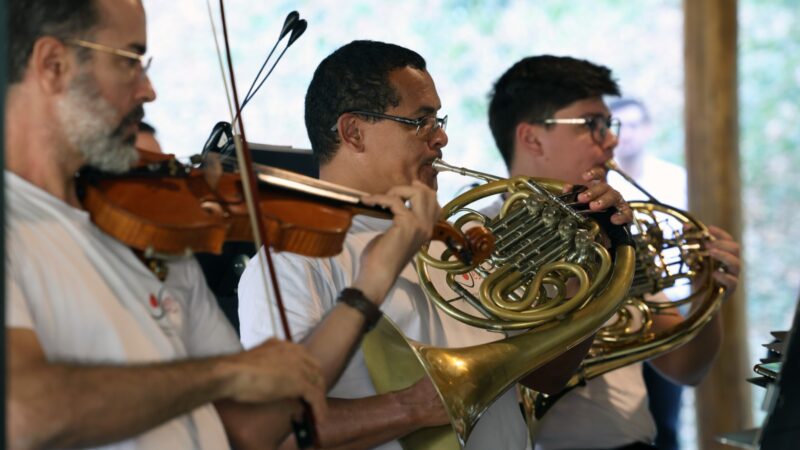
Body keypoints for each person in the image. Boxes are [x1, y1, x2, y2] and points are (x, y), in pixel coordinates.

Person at [5, 1, 426, 449]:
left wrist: (366, 291)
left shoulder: (152, 232)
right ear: (53, 64)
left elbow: (251, 429)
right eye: (129, 61)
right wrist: (227, 373)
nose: (149, 91)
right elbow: (23, 411)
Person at [238, 40, 632, 450]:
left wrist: (595, 260)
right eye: (420, 121)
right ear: (353, 131)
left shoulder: (452, 238)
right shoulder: (292, 261)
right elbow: (278, 434)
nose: (440, 137)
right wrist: (411, 408)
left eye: (439, 120)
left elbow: (544, 375)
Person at [487, 55, 741, 450]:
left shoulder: (614, 230)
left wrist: (711, 293)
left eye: (610, 124)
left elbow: (684, 368)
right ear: (532, 138)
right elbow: (533, 376)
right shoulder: (478, 235)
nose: (613, 140)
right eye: (593, 125)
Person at [608, 97, 687, 450]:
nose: (626, 136)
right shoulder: (600, 184)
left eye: (635, 125)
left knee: (666, 415)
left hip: (669, 301)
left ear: (649, 129)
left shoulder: (673, 178)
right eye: (618, 127)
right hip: (614, 309)